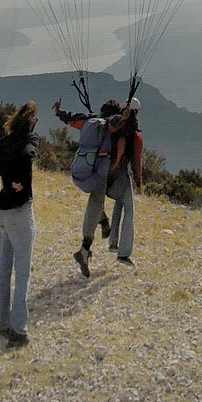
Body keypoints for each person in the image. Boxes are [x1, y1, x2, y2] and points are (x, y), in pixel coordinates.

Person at [0, 100, 38, 346]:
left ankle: (0, 325)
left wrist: (3, 172)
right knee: (23, 273)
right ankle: (19, 330)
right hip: (20, 211)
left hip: (1, 210)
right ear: (33, 122)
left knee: (3, 271)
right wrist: (19, 180)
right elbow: (28, 156)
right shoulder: (30, 141)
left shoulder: (7, 140)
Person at [53, 94, 132, 276]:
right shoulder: (109, 122)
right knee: (95, 201)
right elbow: (115, 122)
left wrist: (59, 111)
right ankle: (84, 248)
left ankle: (104, 223)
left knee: (96, 200)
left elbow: (71, 118)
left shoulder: (89, 120)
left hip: (81, 167)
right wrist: (124, 117)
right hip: (98, 170)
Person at [106, 97, 143, 265]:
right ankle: (124, 252)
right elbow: (136, 161)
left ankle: (113, 243)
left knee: (119, 204)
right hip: (121, 173)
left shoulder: (115, 126)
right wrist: (139, 181)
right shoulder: (135, 136)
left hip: (106, 171)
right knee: (129, 211)